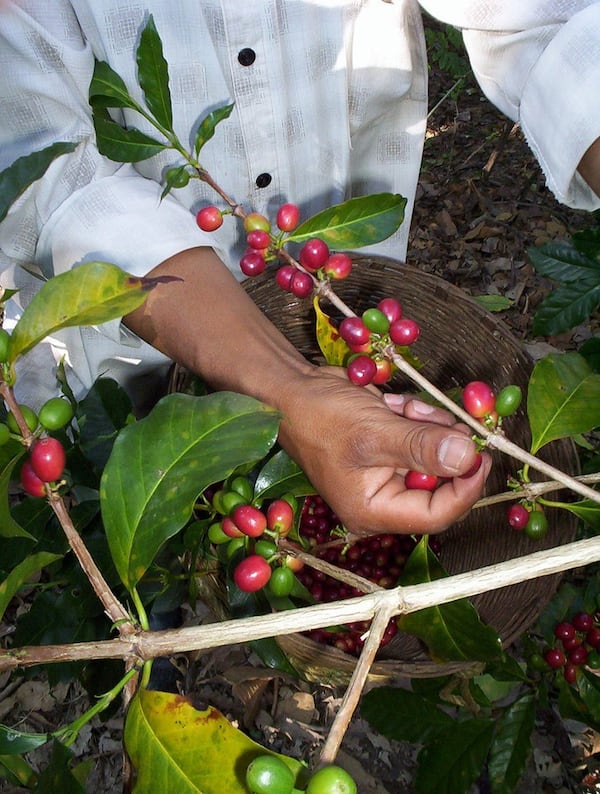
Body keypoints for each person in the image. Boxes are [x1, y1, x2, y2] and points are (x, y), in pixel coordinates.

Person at [0, 1, 598, 537]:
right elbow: (43, 166)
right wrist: (286, 388)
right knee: (142, 529)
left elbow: (550, 19)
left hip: (335, 306)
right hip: (116, 360)